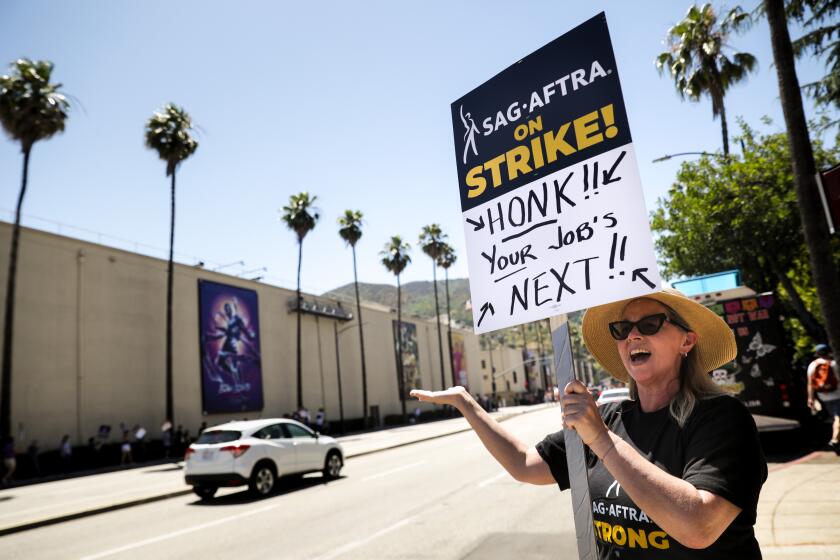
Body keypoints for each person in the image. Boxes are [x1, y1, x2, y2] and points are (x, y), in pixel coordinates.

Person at [412, 288, 767, 558]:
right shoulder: (611, 418)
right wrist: (466, 402)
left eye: (649, 324)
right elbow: (524, 465)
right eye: (622, 328)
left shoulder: (721, 418)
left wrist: (601, 438)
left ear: (687, 340)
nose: (633, 336)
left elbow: (698, 526)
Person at [807, 343, 840, 454]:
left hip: (823, 396)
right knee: (838, 418)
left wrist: (810, 398)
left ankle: (836, 439)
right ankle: (834, 440)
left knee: (835, 417)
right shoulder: (834, 364)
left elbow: (810, 384)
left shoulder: (812, 365)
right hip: (837, 395)